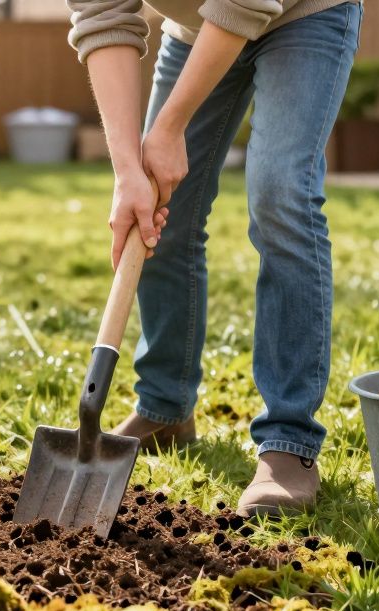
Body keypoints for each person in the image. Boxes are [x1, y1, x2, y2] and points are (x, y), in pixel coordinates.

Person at [68, 0, 361, 516]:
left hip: (306, 14)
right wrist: (126, 170)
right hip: (197, 27)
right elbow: (104, 16)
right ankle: (165, 407)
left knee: (280, 196)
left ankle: (289, 442)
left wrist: (170, 125)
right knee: (163, 207)